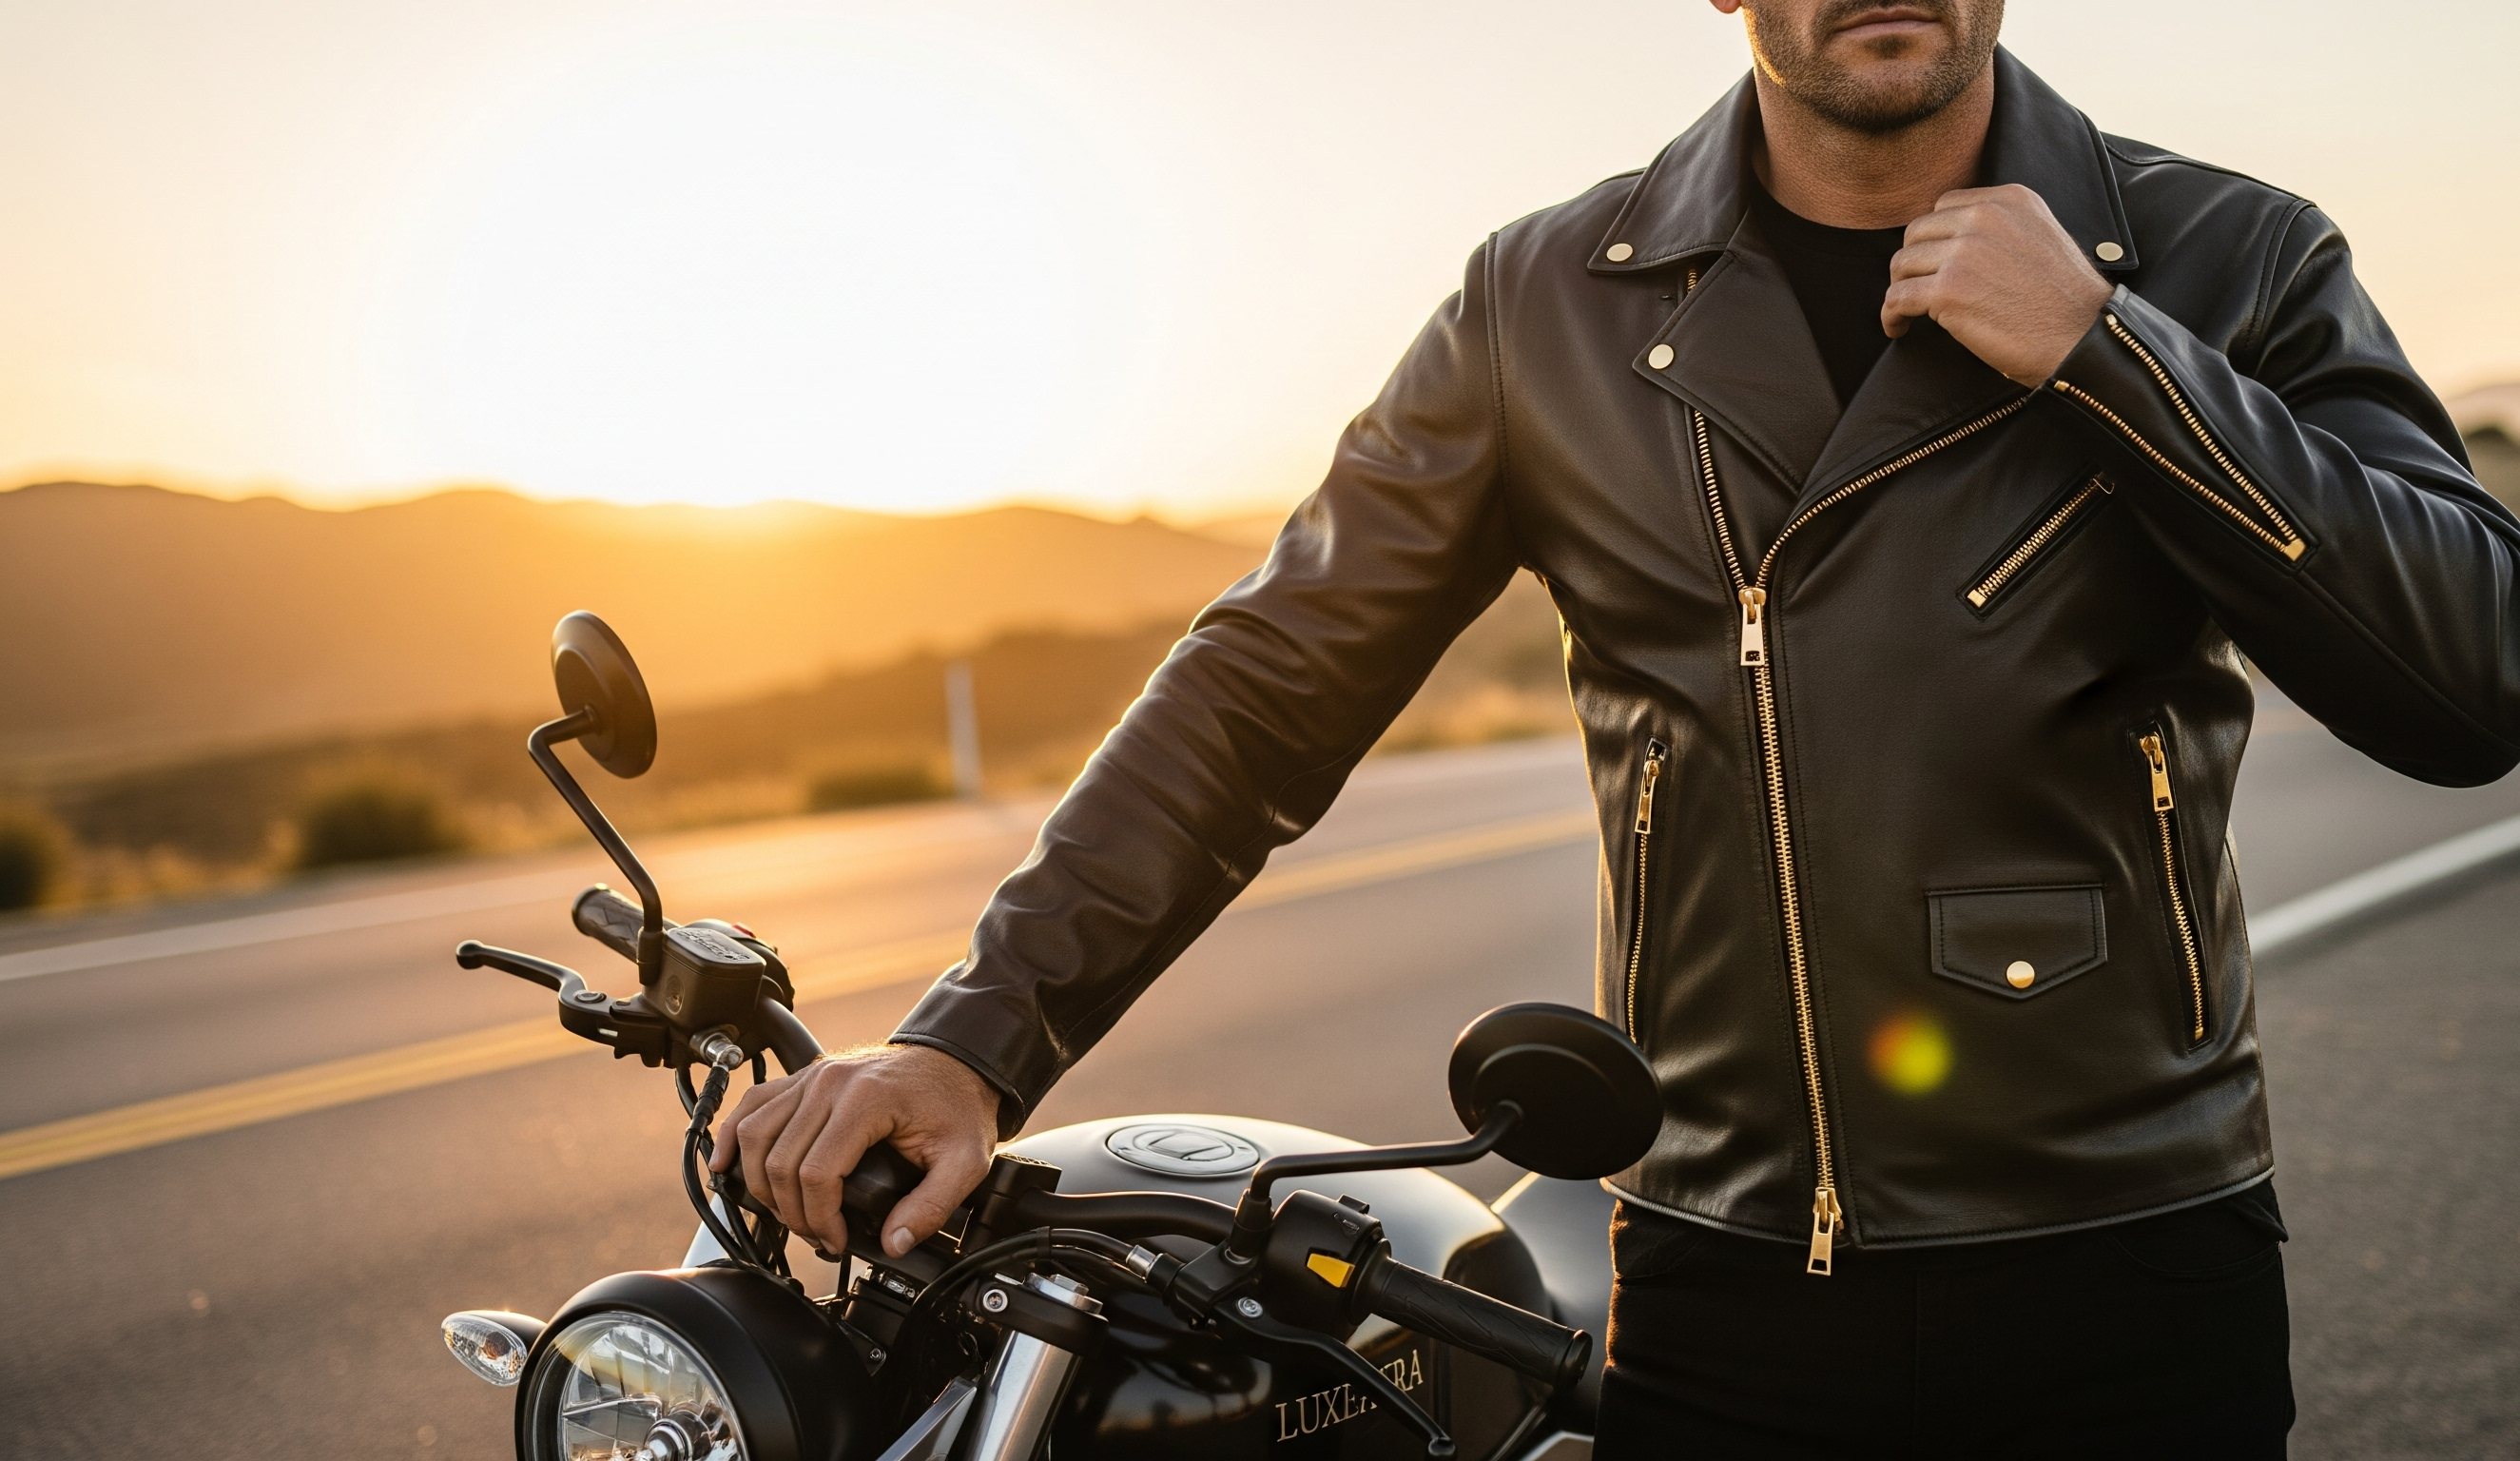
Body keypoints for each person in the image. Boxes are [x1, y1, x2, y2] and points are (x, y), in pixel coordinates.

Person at [716, 2, 2520, 1452]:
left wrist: (2111, 351)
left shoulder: (2230, 254)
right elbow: (1262, 685)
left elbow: (2470, 680)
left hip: (2129, 1259)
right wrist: (976, 1038)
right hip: (1720, 1283)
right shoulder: (1541, 302)